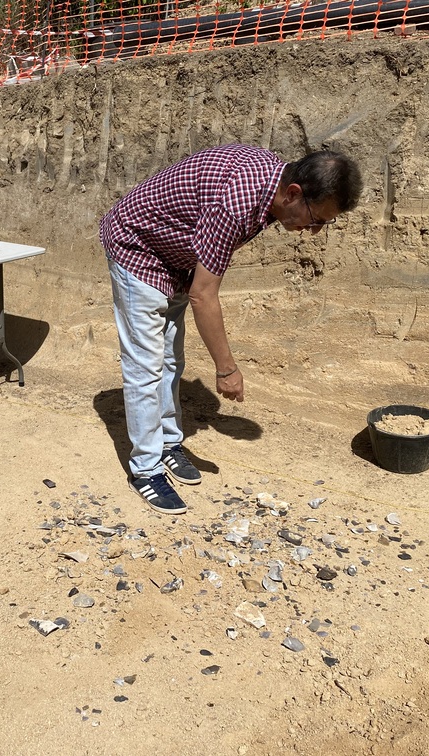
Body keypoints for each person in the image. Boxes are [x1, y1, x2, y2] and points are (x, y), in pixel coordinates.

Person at [100, 144, 363, 515]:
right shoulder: (236, 203)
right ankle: (145, 468)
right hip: (138, 247)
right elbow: (203, 296)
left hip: (175, 255)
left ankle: (168, 444)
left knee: (170, 359)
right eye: (316, 218)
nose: (314, 230)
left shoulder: (273, 182)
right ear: (293, 194)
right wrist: (227, 369)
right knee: (145, 365)